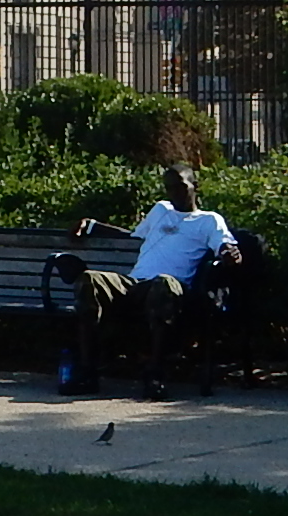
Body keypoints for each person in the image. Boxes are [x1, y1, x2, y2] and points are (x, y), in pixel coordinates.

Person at [68, 168, 238, 395]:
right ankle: (87, 372)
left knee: (163, 284)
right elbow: (133, 236)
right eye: (169, 188)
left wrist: (229, 254)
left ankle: (155, 374)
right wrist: (91, 225)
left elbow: (224, 244)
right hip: (135, 283)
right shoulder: (160, 210)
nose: (174, 192)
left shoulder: (209, 220)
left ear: (195, 186)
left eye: (180, 186)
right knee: (90, 280)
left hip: (173, 287)